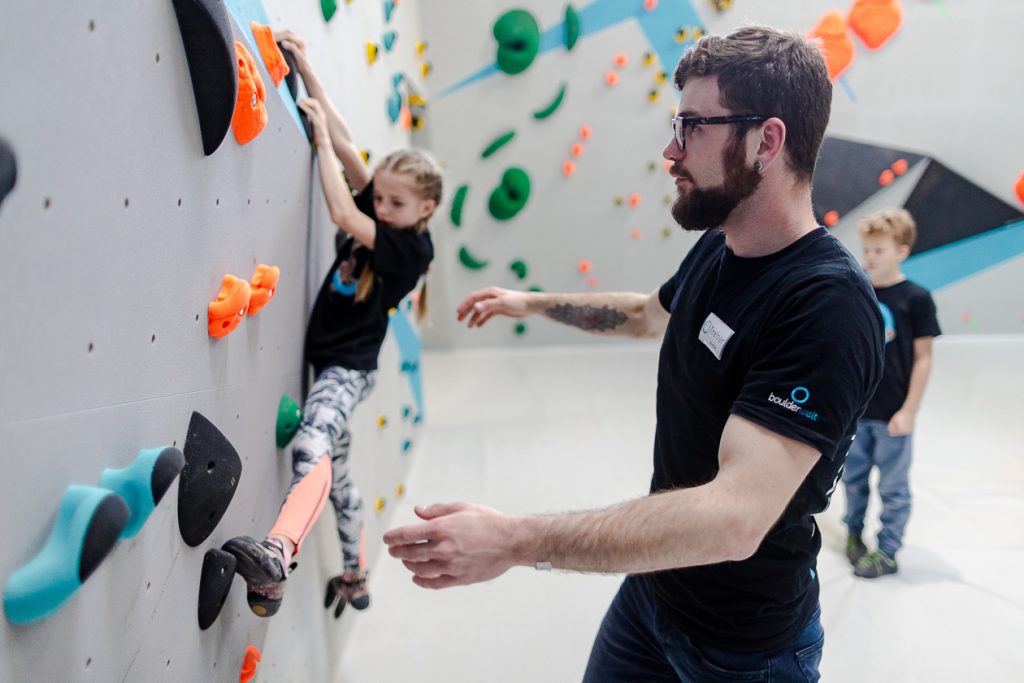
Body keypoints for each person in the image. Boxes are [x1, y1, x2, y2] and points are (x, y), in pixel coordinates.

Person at [384, 25, 884, 680]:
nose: (672, 150)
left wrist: (517, 539)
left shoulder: (826, 307)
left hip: (742, 650)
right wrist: (531, 301)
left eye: (693, 127)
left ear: (767, 141)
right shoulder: (723, 244)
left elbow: (736, 518)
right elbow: (649, 314)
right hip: (652, 597)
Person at [224, 30, 441, 618]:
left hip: (346, 370)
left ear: (424, 210)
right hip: (332, 363)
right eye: (384, 199)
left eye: (396, 204)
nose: (384, 209)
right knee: (337, 479)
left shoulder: (410, 251)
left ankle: (277, 550)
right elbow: (348, 147)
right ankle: (355, 576)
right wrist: (307, 69)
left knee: (311, 444)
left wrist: (315, 136)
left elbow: (343, 207)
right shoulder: (392, 213)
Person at [843, 208, 940, 579]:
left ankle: (887, 550)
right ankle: (854, 533)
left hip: (893, 416)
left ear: (902, 251)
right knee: (852, 480)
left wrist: (910, 410)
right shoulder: (856, 293)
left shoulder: (916, 298)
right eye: (866, 250)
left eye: (879, 250)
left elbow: (923, 358)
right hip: (856, 413)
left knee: (893, 487)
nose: (869, 258)